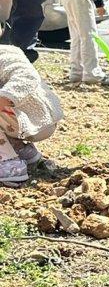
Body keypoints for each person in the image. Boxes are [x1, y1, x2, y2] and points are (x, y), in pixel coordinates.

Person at [0, 43, 62, 185]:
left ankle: (9, 164)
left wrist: (4, 98)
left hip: (35, 118)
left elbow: (27, 77)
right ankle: (20, 150)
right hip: (15, 121)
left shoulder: (6, 53)